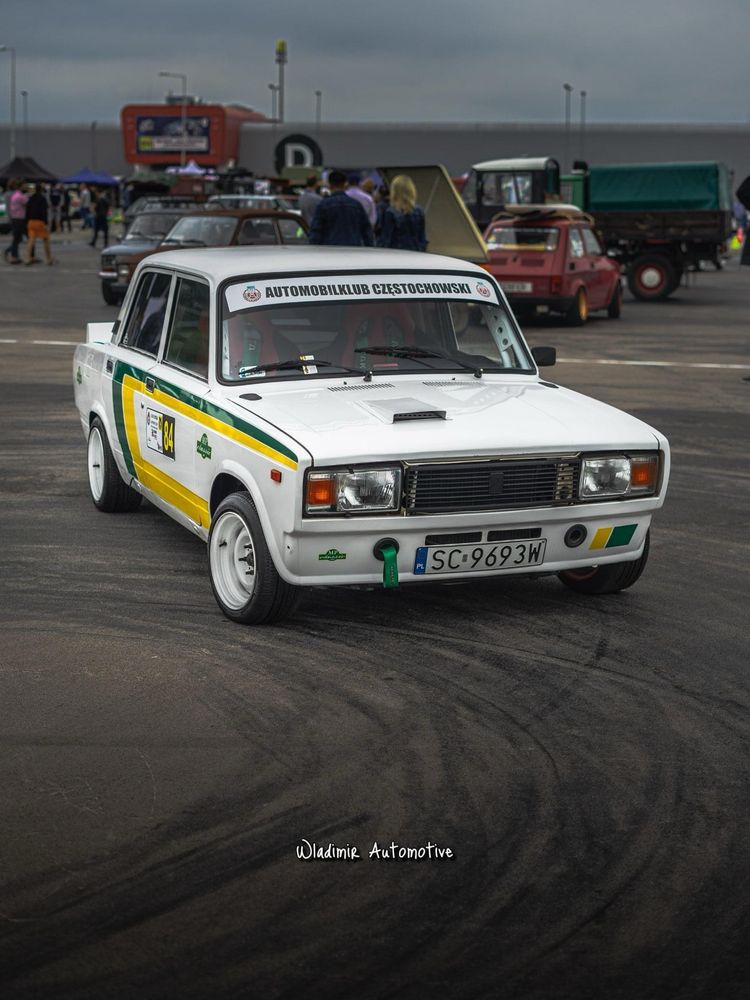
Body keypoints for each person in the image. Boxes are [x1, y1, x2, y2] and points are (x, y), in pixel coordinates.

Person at [308, 170, 374, 247]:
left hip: (329, 251)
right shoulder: (356, 205)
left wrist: (314, 249)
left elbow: (316, 231)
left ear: (330, 185)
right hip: (353, 250)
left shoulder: (323, 205)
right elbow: (366, 231)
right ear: (345, 184)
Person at [377, 174, 427, 252]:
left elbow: (386, 239)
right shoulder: (419, 211)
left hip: (397, 254)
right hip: (416, 253)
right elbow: (422, 238)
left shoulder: (391, 212)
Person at [24, 183, 54, 265]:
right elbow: (43, 211)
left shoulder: (30, 199)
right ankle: (49, 259)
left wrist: (26, 221)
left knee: (31, 240)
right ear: (41, 190)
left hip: (30, 221)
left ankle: (28, 258)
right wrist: (46, 222)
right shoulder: (42, 199)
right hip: (39, 221)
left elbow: (27, 211)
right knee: (46, 240)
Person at [4, 179, 28, 264]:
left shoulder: (7, 194)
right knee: (17, 239)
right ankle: (11, 253)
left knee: (17, 238)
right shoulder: (15, 195)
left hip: (12, 217)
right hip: (16, 218)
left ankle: (14, 255)